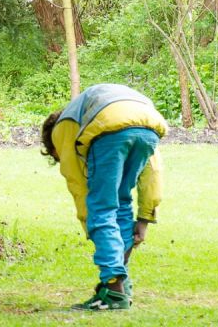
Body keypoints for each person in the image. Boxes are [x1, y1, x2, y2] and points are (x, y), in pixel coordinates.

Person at [41, 83, 166, 311]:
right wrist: (144, 218)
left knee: (102, 208)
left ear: (53, 148)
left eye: (56, 157)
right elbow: (153, 172)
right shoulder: (92, 111)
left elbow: (80, 187)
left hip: (108, 130)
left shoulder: (63, 129)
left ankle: (113, 291)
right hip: (150, 122)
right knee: (121, 202)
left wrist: (92, 228)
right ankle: (120, 283)